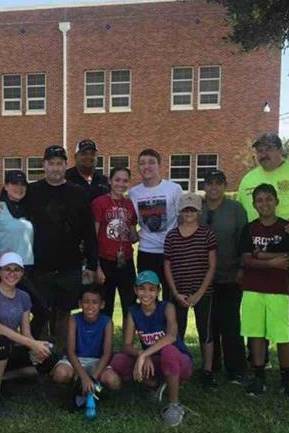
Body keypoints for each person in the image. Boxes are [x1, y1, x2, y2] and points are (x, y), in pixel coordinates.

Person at [237, 132, 289, 395]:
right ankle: (259, 370)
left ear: (280, 150)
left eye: (269, 149)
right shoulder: (249, 179)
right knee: (256, 324)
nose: (263, 154)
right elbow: (244, 222)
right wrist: (258, 257)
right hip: (255, 267)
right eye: (259, 150)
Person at [21, 145, 98, 346]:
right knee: (41, 312)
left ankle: (63, 357)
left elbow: (88, 230)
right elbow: (11, 202)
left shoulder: (78, 192)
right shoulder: (33, 191)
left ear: (65, 165)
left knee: (64, 312)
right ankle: (42, 357)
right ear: (44, 165)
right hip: (40, 265)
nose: (55, 168)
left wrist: (91, 264)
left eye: (59, 164)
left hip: (69, 265)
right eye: (51, 164)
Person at [0, 252, 55, 417]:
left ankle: (1, 377)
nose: (12, 274)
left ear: (22, 273)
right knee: (1, 342)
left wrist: (38, 346)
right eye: (7, 269)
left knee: (51, 355)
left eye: (16, 270)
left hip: (8, 347)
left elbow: (26, 332)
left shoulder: (23, 297)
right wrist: (32, 344)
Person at [110, 271, 193, 427]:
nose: (146, 293)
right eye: (142, 288)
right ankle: (154, 385)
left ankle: (174, 404)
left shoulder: (166, 307)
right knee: (119, 360)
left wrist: (144, 354)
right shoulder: (133, 312)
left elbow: (171, 337)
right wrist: (142, 354)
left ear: (158, 291)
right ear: (135, 290)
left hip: (179, 360)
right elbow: (126, 345)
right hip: (155, 360)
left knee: (168, 351)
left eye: (151, 289)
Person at [239, 183, 289, 399]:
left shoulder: (286, 228)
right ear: (254, 205)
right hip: (253, 288)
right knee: (255, 332)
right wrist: (271, 261)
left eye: (268, 199)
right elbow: (246, 259)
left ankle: (286, 378)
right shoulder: (250, 228)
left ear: (276, 201)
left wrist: (260, 255)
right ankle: (258, 375)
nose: (264, 204)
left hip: (279, 290)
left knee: (282, 335)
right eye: (259, 200)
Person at [163, 193, 217, 390]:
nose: (189, 213)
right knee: (177, 332)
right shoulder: (172, 235)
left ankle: (208, 371)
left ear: (199, 211)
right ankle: (179, 368)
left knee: (206, 331)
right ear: (180, 211)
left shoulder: (206, 233)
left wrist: (200, 292)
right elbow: (167, 265)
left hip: (202, 291)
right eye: (186, 210)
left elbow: (212, 265)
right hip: (179, 291)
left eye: (192, 209)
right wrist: (175, 292)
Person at [199, 170, 248, 383]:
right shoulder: (197, 208)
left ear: (225, 186)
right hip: (203, 277)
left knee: (230, 323)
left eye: (218, 183)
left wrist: (242, 269)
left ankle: (236, 368)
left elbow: (244, 241)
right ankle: (212, 364)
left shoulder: (235, 209)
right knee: (210, 323)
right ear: (204, 186)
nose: (214, 188)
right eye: (210, 183)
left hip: (230, 273)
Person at [52, 283, 120, 408]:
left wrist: (92, 378)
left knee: (113, 381)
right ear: (80, 304)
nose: (90, 306)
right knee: (60, 374)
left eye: (95, 302)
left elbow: (107, 354)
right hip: (76, 360)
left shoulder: (107, 321)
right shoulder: (74, 319)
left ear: (102, 304)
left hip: (97, 362)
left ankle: (92, 389)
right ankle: (78, 387)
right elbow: (71, 351)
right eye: (86, 302)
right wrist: (84, 377)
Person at [129, 149, 183, 300]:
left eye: (151, 162)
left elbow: (182, 221)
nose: (147, 166)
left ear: (160, 165)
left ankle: (170, 324)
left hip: (171, 252)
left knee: (170, 298)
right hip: (147, 252)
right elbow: (132, 222)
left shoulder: (174, 189)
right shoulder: (134, 193)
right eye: (142, 163)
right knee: (147, 299)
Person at [92, 166, 138, 324]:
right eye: (117, 180)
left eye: (125, 181)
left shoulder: (129, 204)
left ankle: (127, 345)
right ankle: (105, 346)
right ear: (110, 181)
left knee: (130, 305)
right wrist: (96, 266)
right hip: (105, 261)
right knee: (105, 306)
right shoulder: (100, 203)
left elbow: (133, 235)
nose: (121, 184)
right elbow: (93, 236)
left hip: (125, 260)